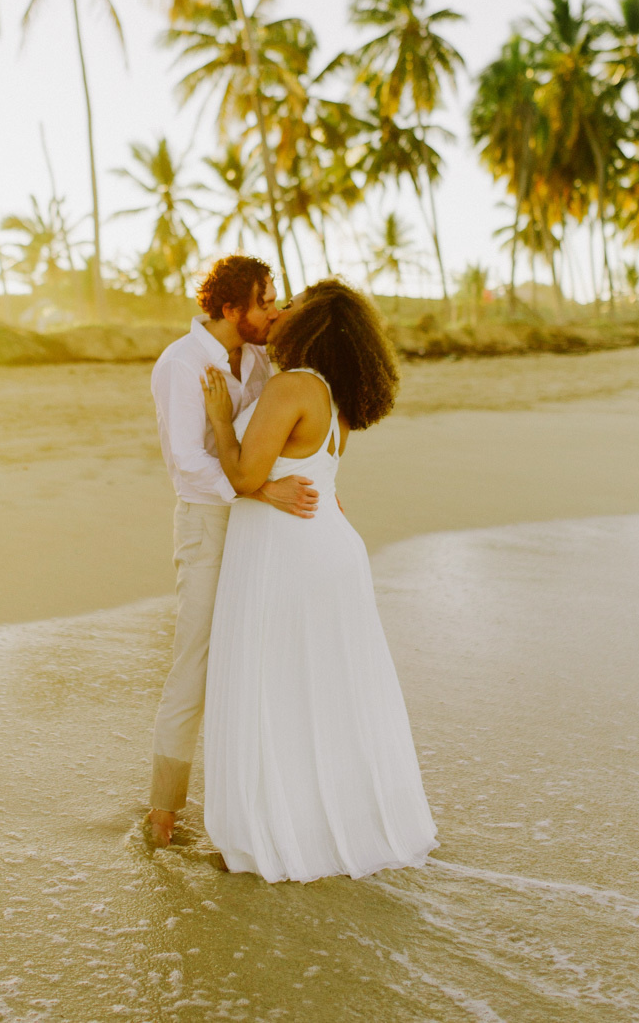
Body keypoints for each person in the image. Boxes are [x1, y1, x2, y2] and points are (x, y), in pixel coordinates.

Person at [200, 278, 438, 883]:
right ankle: (335, 827)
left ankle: (285, 834)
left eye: (295, 305)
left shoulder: (291, 386)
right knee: (324, 693)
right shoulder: (332, 396)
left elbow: (242, 474)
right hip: (327, 548)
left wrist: (221, 420)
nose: (283, 311)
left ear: (316, 325)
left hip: (288, 554)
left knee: (277, 689)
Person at [146, 255, 320, 848]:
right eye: (264, 301)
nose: (272, 311)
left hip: (254, 524)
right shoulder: (182, 364)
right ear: (229, 309)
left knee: (251, 660)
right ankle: (163, 810)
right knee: (193, 664)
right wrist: (261, 488)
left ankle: (245, 806)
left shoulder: (261, 357)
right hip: (208, 522)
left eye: (274, 300)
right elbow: (187, 466)